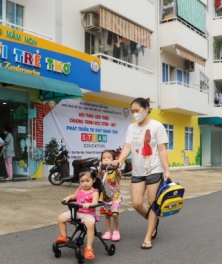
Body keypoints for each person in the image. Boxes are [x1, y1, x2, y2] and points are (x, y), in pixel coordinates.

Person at [111, 97, 171, 250]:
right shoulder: (132, 128)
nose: (135, 114)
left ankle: (148, 236)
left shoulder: (157, 126)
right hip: (137, 170)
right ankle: (153, 220)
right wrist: (119, 160)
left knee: (152, 203)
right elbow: (127, 147)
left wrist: (167, 171)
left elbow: (162, 150)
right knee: (137, 203)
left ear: (146, 108)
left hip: (154, 169)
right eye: (133, 111)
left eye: (137, 111)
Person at [55, 168, 100, 260]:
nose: (85, 183)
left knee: (90, 225)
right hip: (77, 212)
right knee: (60, 218)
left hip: (88, 213)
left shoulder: (94, 192)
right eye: (82, 181)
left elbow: (95, 203)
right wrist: (69, 197)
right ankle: (63, 236)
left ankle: (89, 247)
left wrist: (89, 204)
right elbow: (74, 196)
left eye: (87, 181)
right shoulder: (79, 189)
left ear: (93, 180)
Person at [98, 150, 123, 242]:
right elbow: (99, 173)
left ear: (113, 159)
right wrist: (102, 166)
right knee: (107, 215)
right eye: (104, 158)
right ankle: (108, 231)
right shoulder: (103, 171)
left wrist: (115, 167)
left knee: (114, 214)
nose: (106, 160)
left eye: (109, 158)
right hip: (105, 195)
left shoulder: (115, 170)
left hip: (115, 196)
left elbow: (119, 176)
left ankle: (116, 231)